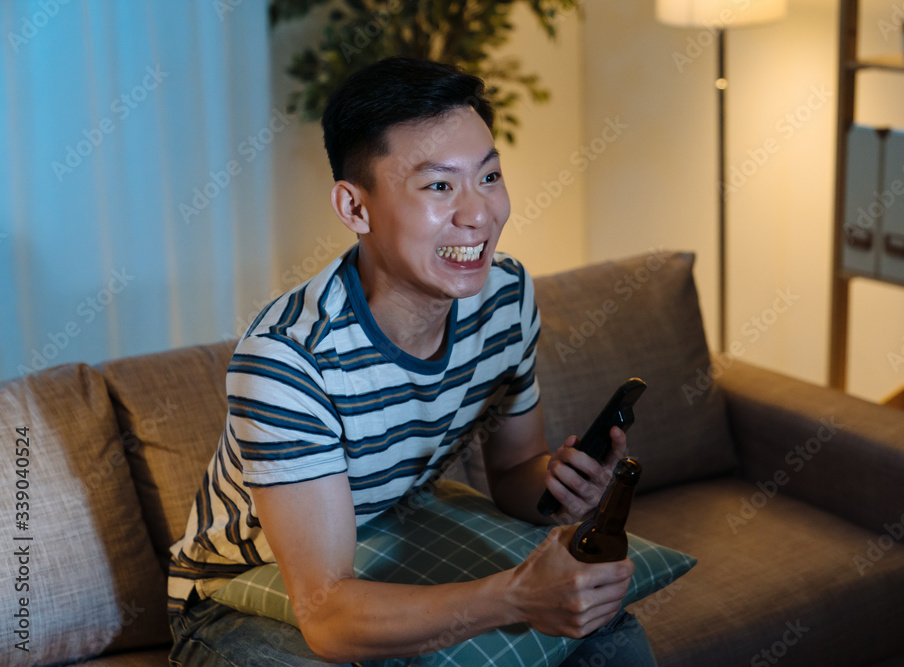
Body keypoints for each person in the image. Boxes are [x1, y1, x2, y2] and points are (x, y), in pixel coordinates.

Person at [167, 56, 655, 666]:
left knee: (606, 634)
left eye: (491, 176)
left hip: (395, 526)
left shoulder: (505, 297)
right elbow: (325, 615)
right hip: (238, 592)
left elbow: (512, 473)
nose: (479, 214)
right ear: (355, 209)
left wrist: (560, 488)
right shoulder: (289, 358)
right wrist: (516, 597)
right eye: (439, 185)